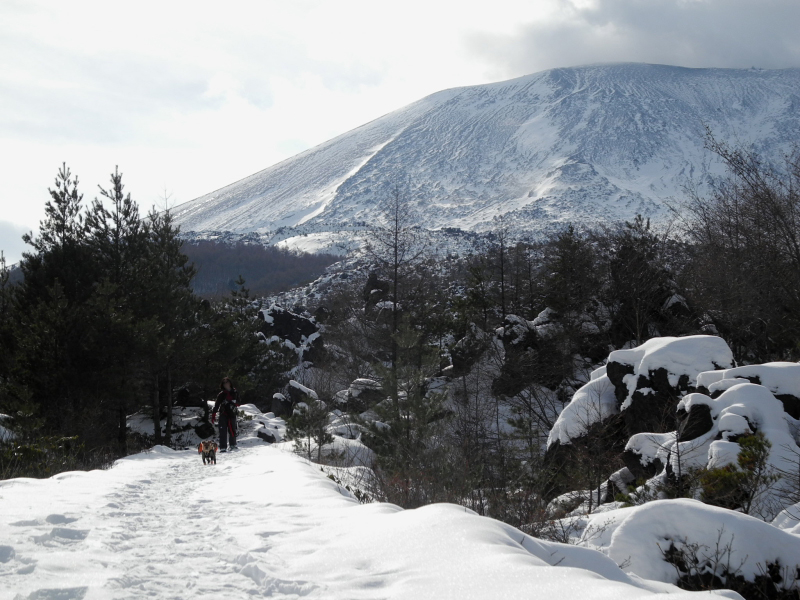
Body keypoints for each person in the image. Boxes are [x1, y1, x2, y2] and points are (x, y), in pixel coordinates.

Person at [212, 377, 240, 452]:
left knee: (232, 430)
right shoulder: (221, 394)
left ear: (230, 383)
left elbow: (239, 402)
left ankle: (233, 445)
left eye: (227, 382)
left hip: (232, 414)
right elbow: (217, 405)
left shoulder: (235, 392)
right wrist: (214, 414)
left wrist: (233, 402)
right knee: (222, 431)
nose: (226, 384)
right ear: (222, 385)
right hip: (223, 414)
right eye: (224, 383)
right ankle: (223, 447)